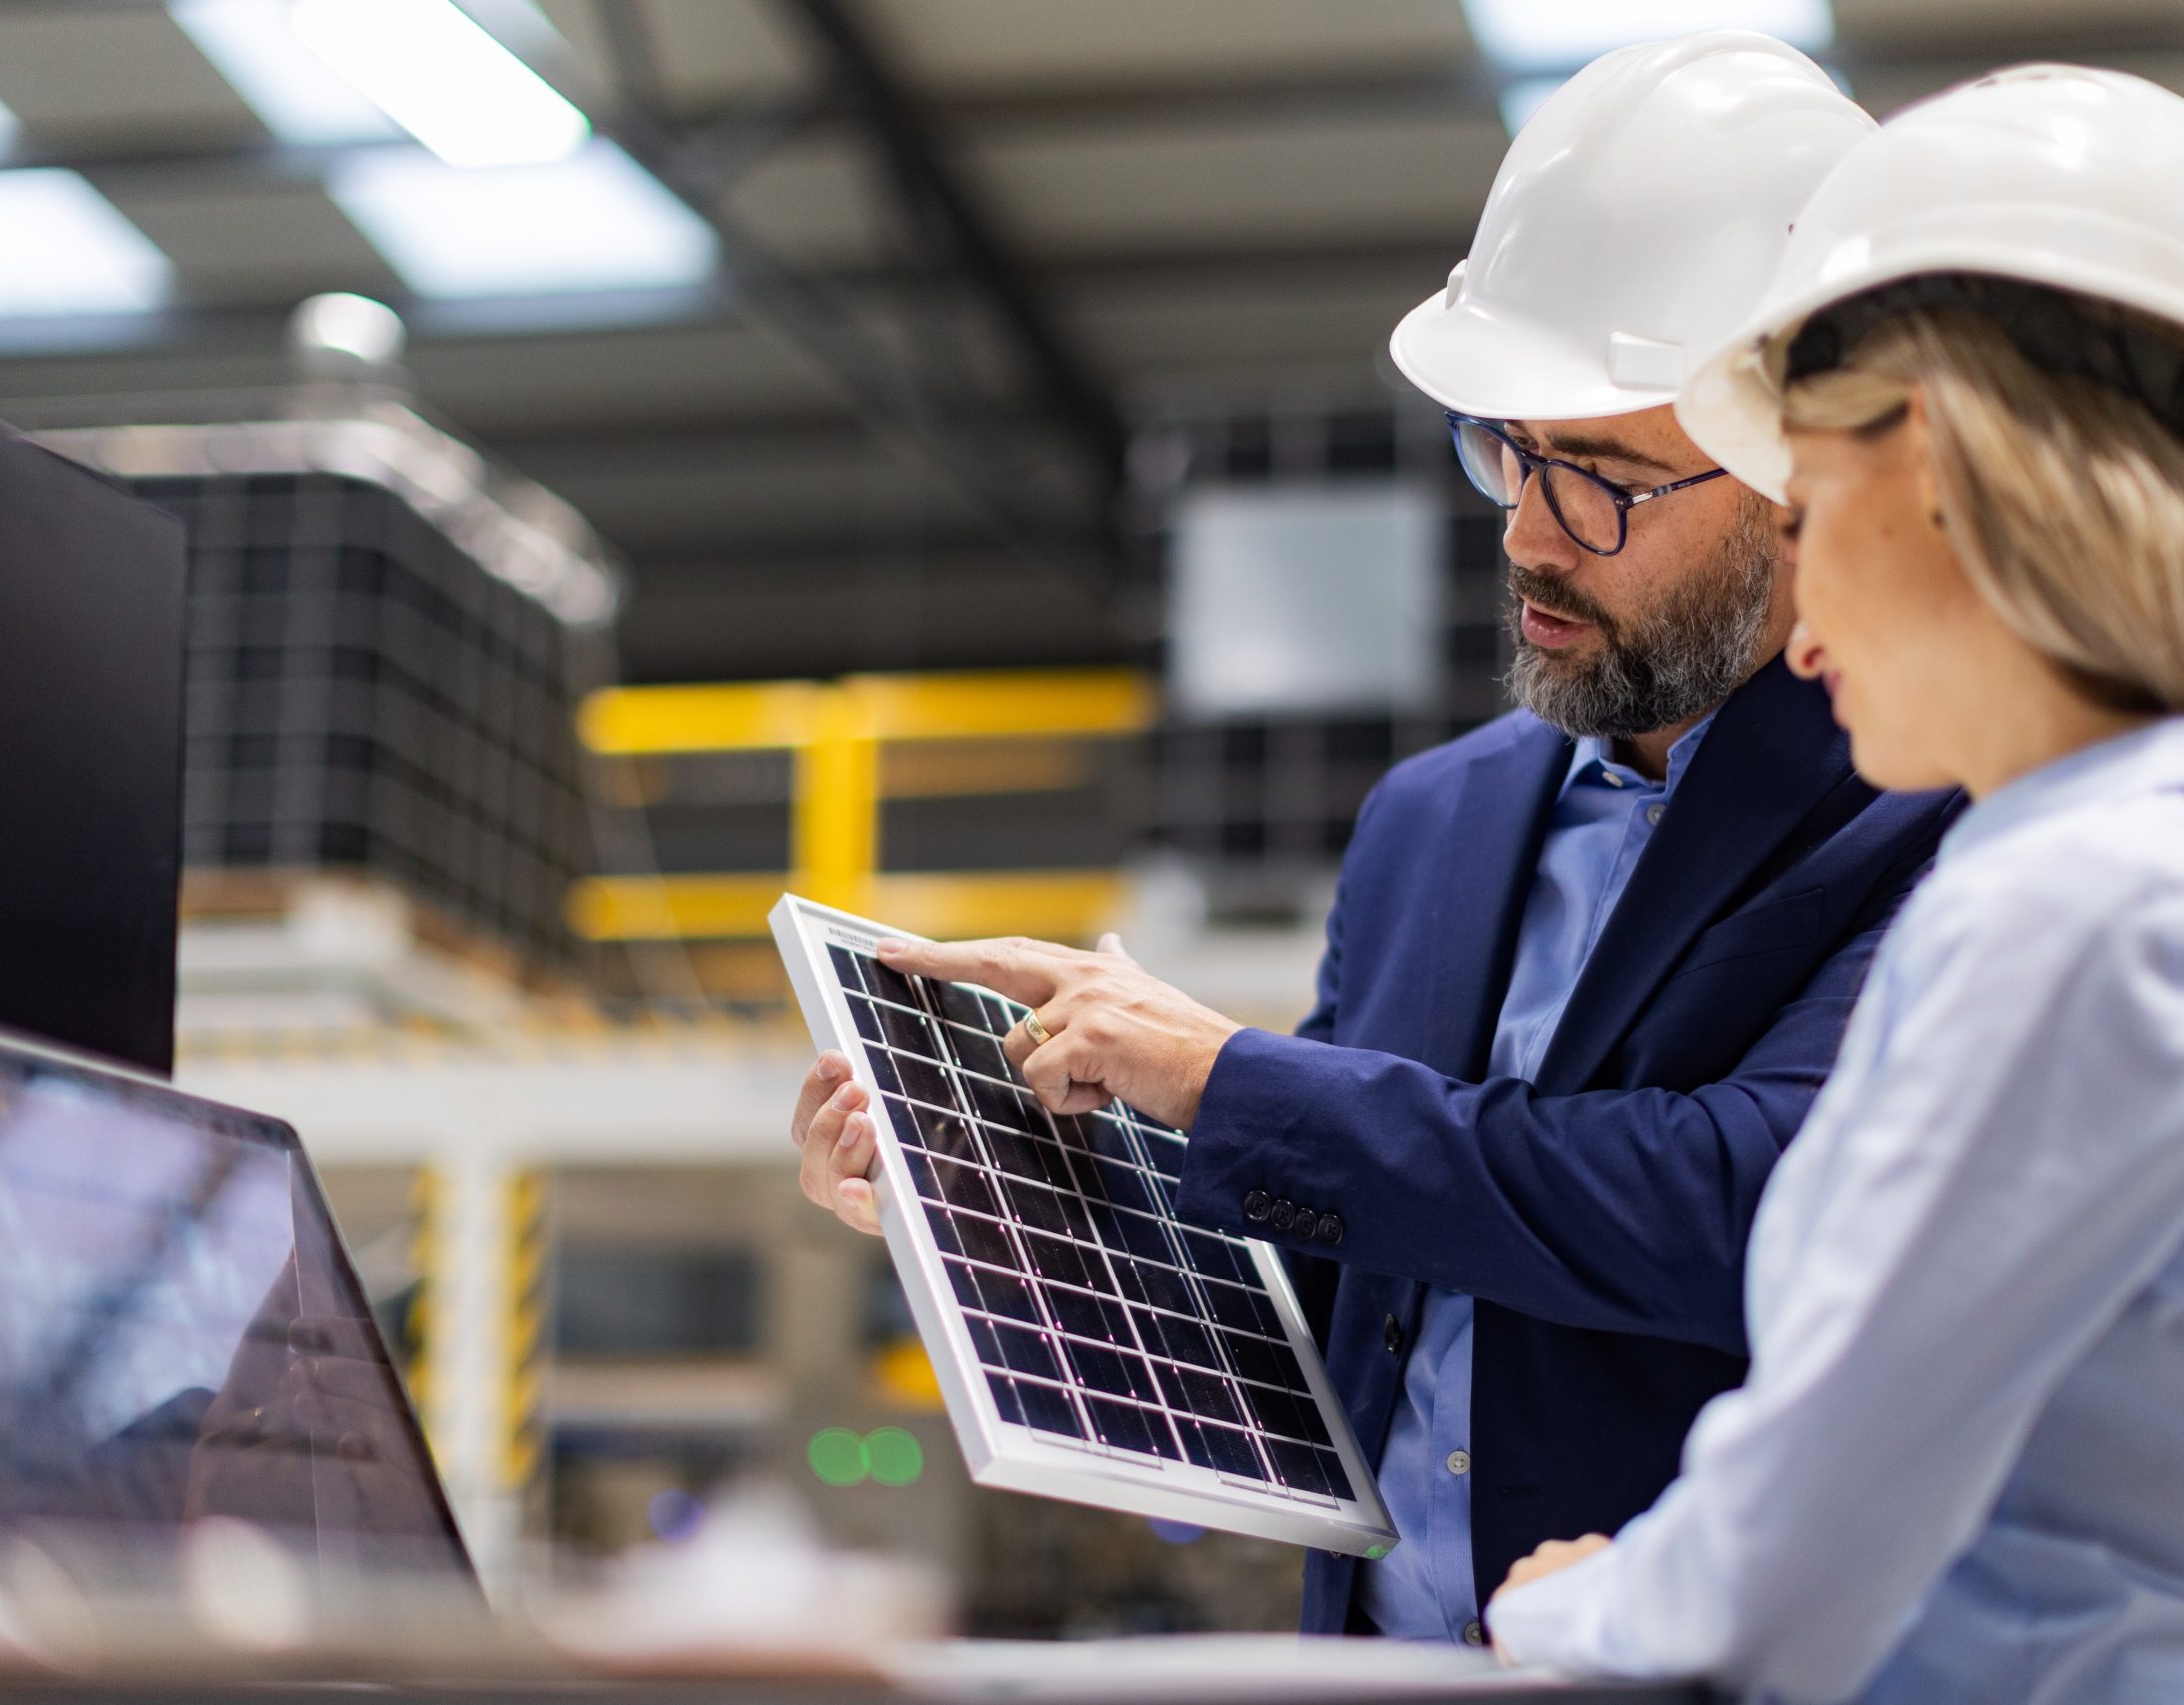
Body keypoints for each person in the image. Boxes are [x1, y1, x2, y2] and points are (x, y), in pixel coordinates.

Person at [789, 32, 1962, 1643]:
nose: (1532, 535)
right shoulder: (1434, 825)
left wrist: (1222, 1077)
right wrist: (987, 1201)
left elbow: (1747, 1203)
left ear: (1795, 477)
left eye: (1606, 479)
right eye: (1506, 451)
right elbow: (1338, 1272)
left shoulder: (1934, 804)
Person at [1482, 65, 2184, 1702]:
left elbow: (1785, 1567)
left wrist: (1580, 1601)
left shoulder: (2084, 915)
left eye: (1811, 509)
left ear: (1929, 464)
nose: (1797, 630)